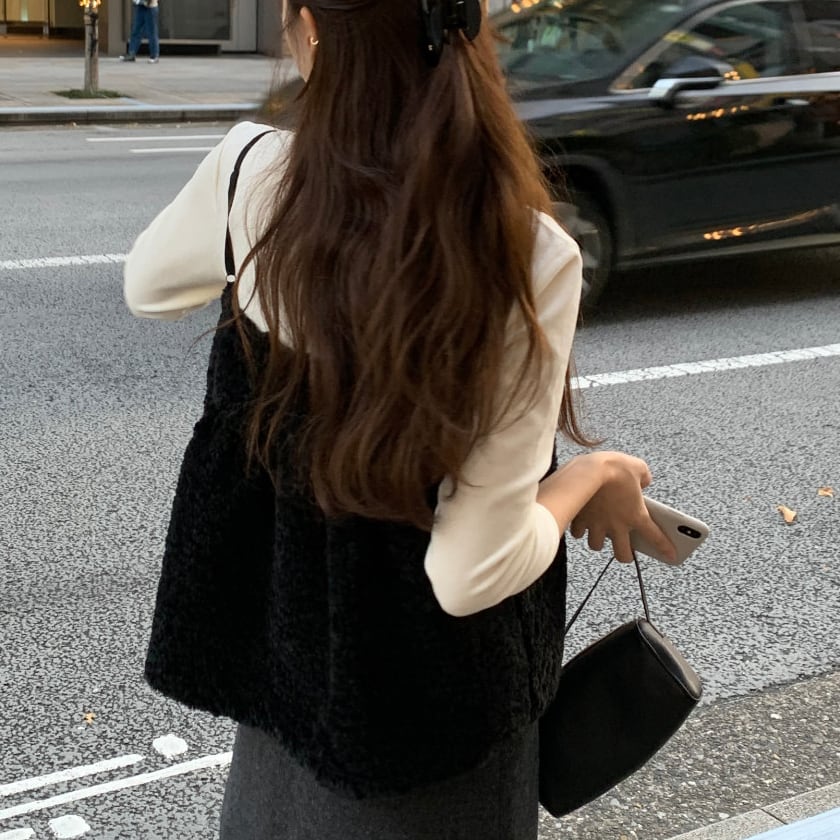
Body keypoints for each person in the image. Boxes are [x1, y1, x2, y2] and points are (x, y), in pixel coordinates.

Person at [123, 1, 675, 837]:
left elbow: (149, 287)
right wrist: (589, 475)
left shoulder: (249, 173)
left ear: (310, 29)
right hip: (437, 736)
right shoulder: (523, 252)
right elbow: (472, 572)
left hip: (289, 683)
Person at [120, 0, 160, 64]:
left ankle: (154, 56)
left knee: (151, 32)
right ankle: (131, 53)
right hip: (141, 7)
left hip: (150, 7)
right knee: (136, 31)